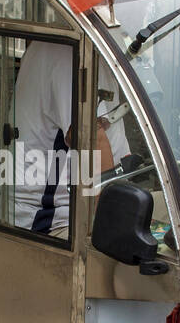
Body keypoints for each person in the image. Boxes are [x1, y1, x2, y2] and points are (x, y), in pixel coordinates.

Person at [12, 41, 127, 237]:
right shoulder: (69, 53)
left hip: (83, 205)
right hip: (52, 220)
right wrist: (122, 222)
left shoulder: (98, 42)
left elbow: (114, 131)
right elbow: (91, 140)